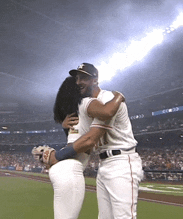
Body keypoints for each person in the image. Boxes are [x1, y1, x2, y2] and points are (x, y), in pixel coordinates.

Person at [47, 63, 143, 219]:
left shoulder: (108, 99)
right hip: (105, 163)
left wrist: (58, 156)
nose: (78, 82)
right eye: (77, 78)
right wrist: (64, 125)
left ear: (95, 80)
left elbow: (90, 139)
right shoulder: (88, 104)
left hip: (122, 161)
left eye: (84, 78)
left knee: (124, 217)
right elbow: (79, 135)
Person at [34, 75, 125, 219]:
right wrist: (118, 96)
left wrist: (58, 151)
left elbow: (76, 137)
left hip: (62, 172)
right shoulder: (86, 103)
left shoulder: (73, 113)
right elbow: (106, 113)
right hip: (69, 172)